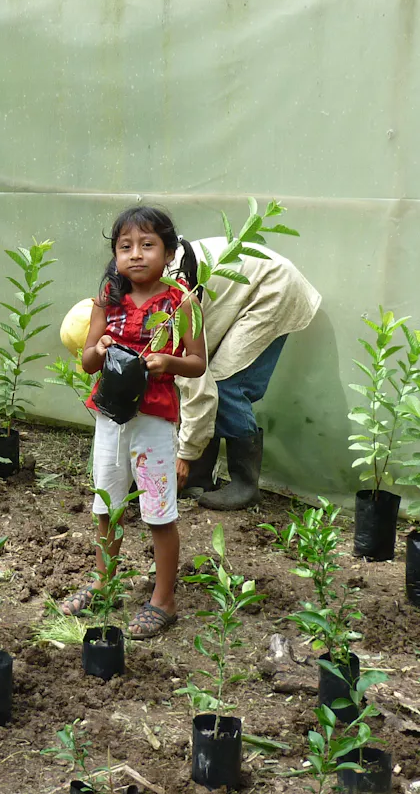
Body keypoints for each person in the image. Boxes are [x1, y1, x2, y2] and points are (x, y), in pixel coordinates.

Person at [57, 206, 207, 639]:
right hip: (111, 417)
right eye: (126, 247)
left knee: (159, 512)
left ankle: (164, 599)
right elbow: (87, 363)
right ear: (115, 254)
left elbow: (197, 364)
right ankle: (103, 581)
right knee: (107, 505)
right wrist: (100, 348)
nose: (136, 255)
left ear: (169, 252)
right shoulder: (108, 298)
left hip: (154, 421)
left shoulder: (182, 302)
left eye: (148, 245)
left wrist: (169, 361)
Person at [170, 238, 321, 510]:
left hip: (273, 289)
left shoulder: (173, 291)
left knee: (226, 385)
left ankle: (245, 484)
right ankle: (200, 477)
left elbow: (195, 379)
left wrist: (184, 455)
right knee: (211, 381)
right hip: (247, 290)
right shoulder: (140, 281)